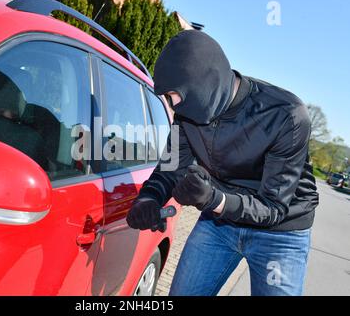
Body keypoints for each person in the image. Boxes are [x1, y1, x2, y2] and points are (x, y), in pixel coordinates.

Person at [126, 30, 319, 296]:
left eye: (173, 95)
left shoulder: (287, 116)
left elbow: (274, 207)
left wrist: (214, 200)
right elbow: (171, 167)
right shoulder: (187, 112)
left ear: (204, 84)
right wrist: (148, 199)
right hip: (219, 224)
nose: (171, 106)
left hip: (281, 233)